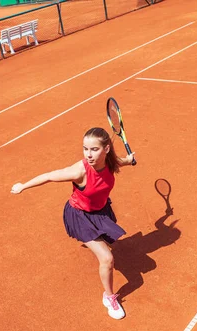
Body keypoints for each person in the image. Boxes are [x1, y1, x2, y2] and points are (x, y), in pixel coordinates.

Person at [11, 127, 135, 319]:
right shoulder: (80, 170)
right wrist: (23, 186)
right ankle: (109, 297)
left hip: (100, 212)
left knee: (107, 241)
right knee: (107, 259)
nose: (89, 154)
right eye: (86, 149)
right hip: (79, 215)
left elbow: (121, 162)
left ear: (107, 149)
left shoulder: (110, 163)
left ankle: (92, 241)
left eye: (94, 149)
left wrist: (129, 160)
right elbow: (49, 176)